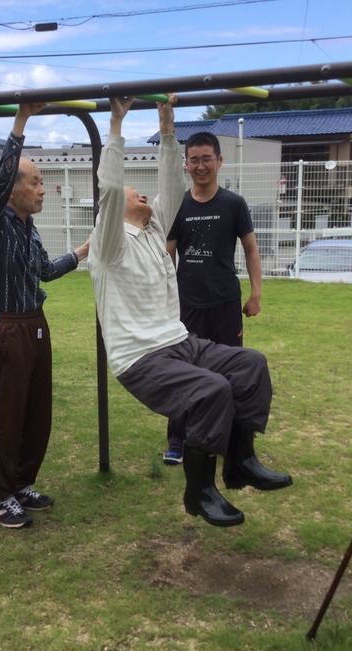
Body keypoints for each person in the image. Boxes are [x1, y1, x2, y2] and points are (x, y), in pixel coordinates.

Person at [87, 96, 291, 528]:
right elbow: (110, 190)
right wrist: (116, 124)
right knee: (211, 390)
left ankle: (240, 461)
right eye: (135, 194)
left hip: (178, 341)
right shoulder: (109, 245)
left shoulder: (154, 229)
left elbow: (170, 181)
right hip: (140, 357)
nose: (144, 195)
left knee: (250, 365)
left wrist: (167, 126)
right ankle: (198, 490)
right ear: (116, 211)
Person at [0, 102, 90, 529]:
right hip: (6, 326)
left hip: (35, 324)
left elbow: (44, 271)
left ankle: (21, 484)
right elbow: (3, 174)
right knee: (8, 415)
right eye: (36, 182)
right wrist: (21, 120)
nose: (43, 189)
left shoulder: (29, 228)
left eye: (42, 182)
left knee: (37, 413)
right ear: (13, 188)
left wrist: (83, 251)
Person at [163, 132, 262, 465]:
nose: (200, 166)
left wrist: (256, 294)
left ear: (219, 161)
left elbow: (251, 249)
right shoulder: (178, 205)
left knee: (233, 370)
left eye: (207, 159)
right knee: (183, 371)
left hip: (225, 304)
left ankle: (231, 439)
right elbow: (168, 255)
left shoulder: (233, 203)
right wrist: (166, 298)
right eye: (194, 160)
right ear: (186, 164)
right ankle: (178, 439)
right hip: (187, 305)